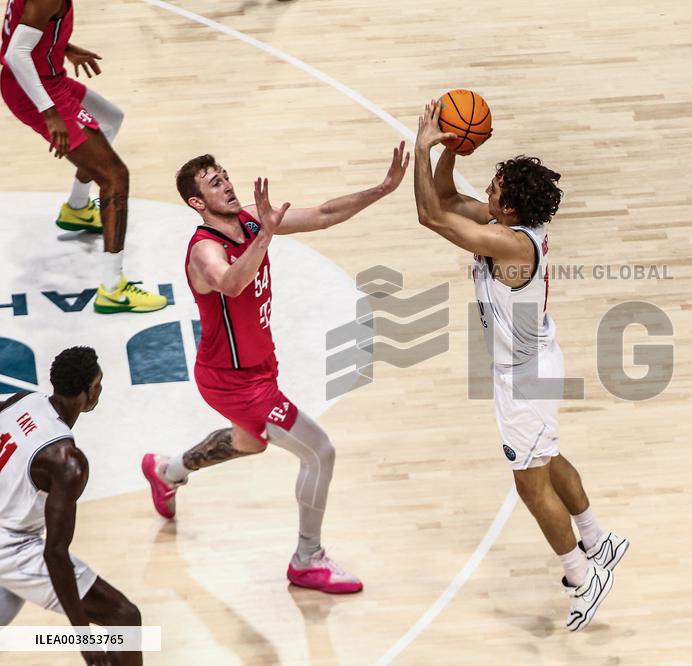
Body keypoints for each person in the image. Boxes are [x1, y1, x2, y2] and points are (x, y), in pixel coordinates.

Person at [142, 143, 410, 594]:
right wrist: (264, 235)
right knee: (319, 452)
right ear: (196, 203)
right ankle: (307, 560)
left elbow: (324, 213)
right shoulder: (204, 250)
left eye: (225, 175)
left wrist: (382, 189)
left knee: (249, 443)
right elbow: (230, 283)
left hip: (259, 367)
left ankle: (166, 470)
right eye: (214, 183)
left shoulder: (250, 219)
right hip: (233, 380)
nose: (226, 184)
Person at [412, 101, 628, 631]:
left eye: (493, 189)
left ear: (509, 211)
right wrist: (450, 149)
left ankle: (582, 575)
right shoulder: (511, 226)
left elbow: (429, 214)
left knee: (529, 486)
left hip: (524, 377)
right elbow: (446, 198)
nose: (485, 192)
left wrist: (422, 149)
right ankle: (600, 541)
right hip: (536, 362)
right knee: (548, 457)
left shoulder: (507, 244)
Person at [0, 0, 167, 314]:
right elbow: (15, 53)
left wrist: (66, 47)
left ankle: (77, 208)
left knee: (111, 118)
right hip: (34, 90)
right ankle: (113, 289)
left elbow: (27, 31)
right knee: (116, 177)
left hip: (49, 79)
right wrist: (49, 113)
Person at [0, 347, 143, 666]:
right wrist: (84, 637)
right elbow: (55, 553)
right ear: (90, 390)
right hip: (12, 547)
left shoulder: (25, 399)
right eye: (99, 384)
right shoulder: (68, 462)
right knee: (124, 618)